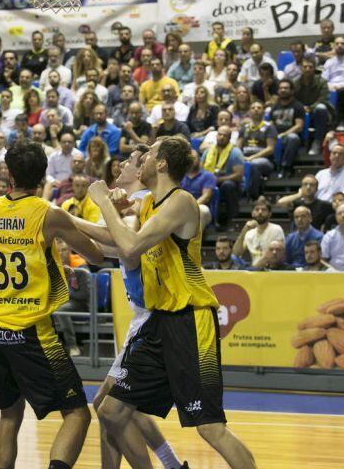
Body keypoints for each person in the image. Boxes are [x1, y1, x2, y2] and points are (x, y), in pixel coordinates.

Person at [87, 136, 257, 469]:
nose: (142, 158)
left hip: (191, 320)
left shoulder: (181, 202)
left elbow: (130, 246)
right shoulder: (150, 201)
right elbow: (118, 234)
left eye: (148, 154)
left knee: (210, 427)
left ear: (162, 163)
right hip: (159, 322)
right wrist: (114, 203)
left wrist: (102, 202)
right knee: (112, 410)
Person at [0, 140, 102, 469]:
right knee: (77, 414)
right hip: (30, 330)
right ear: (42, 175)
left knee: (10, 415)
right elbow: (96, 255)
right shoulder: (49, 214)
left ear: (10, 175)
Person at [232, 196, 285, 266]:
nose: (260, 212)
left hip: (270, 268)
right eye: (257, 210)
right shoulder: (249, 233)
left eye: (263, 210)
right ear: (252, 213)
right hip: (254, 270)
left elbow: (275, 256)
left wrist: (254, 268)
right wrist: (245, 230)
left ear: (270, 214)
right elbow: (236, 253)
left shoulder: (276, 229)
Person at [238, 101, 276, 199]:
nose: (256, 109)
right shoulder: (244, 128)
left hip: (265, 161)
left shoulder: (269, 127)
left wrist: (252, 157)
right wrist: (241, 157)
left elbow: (270, 149)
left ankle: (253, 196)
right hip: (245, 158)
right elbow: (238, 147)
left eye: (259, 107)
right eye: (253, 107)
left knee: (254, 164)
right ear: (249, 111)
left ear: (263, 111)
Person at [294, 58, 332, 155]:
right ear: (301, 69)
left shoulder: (322, 82)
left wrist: (310, 107)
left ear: (314, 68)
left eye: (310, 67)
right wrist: (302, 108)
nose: (307, 69)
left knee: (321, 108)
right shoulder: (295, 82)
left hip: (317, 112)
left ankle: (317, 142)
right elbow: (293, 99)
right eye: (305, 67)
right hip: (301, 111)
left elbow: (323, 99)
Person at [268, 79, 304, 178]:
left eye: (286, 88)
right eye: (281, 88)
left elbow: (299, 126)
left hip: (290, 136)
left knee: (292, 138)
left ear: (292, 91)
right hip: (275, 136)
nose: (283, 90)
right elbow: (270, 124)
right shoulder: (274, 107)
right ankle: (272, 168)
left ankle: (285, 168)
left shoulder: (298, 106)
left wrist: (284, 134)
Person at [181, 152, 216, 229]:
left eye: (194, 158)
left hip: (200, 206)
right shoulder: (180, 176)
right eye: (190, 159)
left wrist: (190, 207)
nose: (192, 161)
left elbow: (206, 197)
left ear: (199, 160)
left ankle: (194, 241)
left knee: (202, 210)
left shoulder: (208, 176)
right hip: (182, 206)